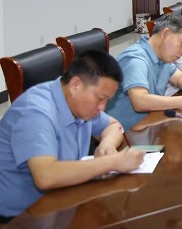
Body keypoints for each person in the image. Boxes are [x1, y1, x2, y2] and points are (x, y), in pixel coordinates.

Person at [0, 51, 145, 219]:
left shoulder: (77, 103)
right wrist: (113, 162)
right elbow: (46, 176)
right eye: (100, 98)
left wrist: (107, 144)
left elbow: (114, 126)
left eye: (107, 100)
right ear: (76, 85)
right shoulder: (35, 112)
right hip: (18, 217)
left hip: (60, 201)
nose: (102, 107)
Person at [106, 14, 182, 131]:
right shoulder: (136, 60)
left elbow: (180, 78)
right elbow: (140, 101)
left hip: (150, 124)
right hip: (123, 133)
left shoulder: (162, 56)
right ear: (166, 34)